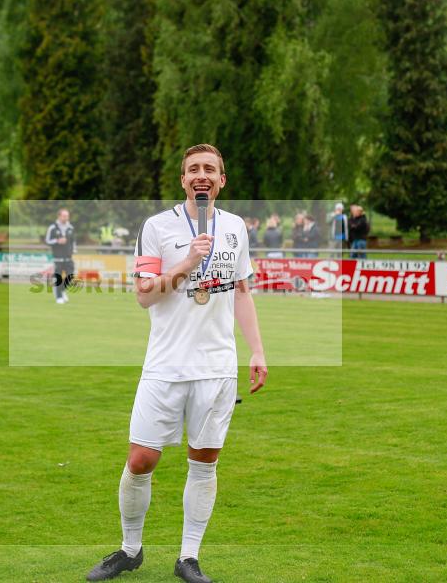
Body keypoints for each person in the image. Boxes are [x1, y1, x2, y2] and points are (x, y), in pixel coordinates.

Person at [87, 144, 268, 583]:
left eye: (210, 169)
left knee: (204, 461)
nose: (201, 175)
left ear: (222, 180)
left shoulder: (235, 227)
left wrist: (257, 350)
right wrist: (188, 261)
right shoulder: (156, 227)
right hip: (165, 365)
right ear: (183, 180)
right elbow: (144, 294)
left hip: (217, 367)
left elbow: (242, 292)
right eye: (193, 169)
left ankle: (188, 557)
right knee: (141, 459)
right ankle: (130, 550)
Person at [45, 209, 76, 304]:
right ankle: (59, 297)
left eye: (67, 216)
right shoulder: (53, 227)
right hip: (57, 257)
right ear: (59, 216)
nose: (66, 218)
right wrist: (57, 241)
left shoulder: (71, 227)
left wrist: (74, 250)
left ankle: (62, 290)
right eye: (64, 216)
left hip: (68, 257)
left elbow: (73, 241)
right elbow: (47, 241)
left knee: (70, 276)